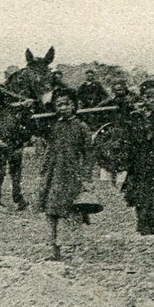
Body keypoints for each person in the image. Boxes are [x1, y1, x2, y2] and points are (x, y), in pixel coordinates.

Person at [37, 95, 96, 261]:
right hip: (54, 174)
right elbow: (49, 149)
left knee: (73, 212)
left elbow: (89, 153)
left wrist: (86, 176)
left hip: (72, 174)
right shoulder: (55, 126)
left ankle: (78, 250)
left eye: (66, 104)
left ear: (74, 106)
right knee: (51, 212)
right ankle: (54, 251)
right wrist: (44, 171)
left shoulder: (81, 127)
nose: (62, 108)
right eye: (59, 105)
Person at [124, 80, 154, 244]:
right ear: (142, 98)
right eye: (147, 96)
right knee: (139, 195)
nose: (151, 100)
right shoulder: (134, 118)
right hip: (138, 163)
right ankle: (144, 227)